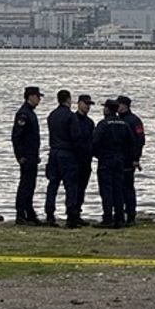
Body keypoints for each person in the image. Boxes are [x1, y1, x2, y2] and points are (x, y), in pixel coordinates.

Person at [43, 90, 84, 227]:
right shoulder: (71, 117)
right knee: (71, 186)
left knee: (52, 185)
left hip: (54, 152)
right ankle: (71, 217)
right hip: (68, 153)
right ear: (68, 100)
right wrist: (79, 154)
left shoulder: (52, 115)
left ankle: (49, 215)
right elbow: (76, 137)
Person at [93, 99, 134, 228]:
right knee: (118, 189)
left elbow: (94, 142)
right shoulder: (124, 124)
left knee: (106, 190)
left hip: (106, 159)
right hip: (120, 160)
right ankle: (120, 217)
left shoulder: (104, 124)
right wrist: (125, 157)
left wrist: (98, 155)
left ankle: (108, 218)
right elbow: (132, 143)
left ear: (107, 109)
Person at [11, 86, 43, 225]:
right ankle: (20, 214)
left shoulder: (30, 113)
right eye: (37, 96)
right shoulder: (24, 114)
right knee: (25, 185)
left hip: (32, 155)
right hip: (26, 156)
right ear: (30, 96)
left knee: (30, 185)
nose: (39, 99)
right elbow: (17, 136)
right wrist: (20, 156)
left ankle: (29, 213)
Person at [116, 95, 146, 225]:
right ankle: (120, 214)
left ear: (125, 105)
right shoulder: (117, 120)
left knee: (127, 187)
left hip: (129, 159)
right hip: (118, 158)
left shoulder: (134, 120)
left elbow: (140, 140)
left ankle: (131, 215)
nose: (117, 107)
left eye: (119, 105)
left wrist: (136, 158)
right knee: (118, 188)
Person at [72, 94, 96, 221]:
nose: (87, 106)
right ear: (79, 103)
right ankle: (73, 213)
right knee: (73, 188)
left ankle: (78, 212)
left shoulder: (90, 122)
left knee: (82, 188)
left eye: (89, 104)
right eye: (86, 104)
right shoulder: (73, 119)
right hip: (75, 159)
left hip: (86, 160)